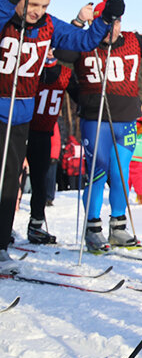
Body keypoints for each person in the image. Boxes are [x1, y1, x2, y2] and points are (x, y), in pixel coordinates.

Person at [0, 0, 110, 273]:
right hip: (0, 107)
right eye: (32, 4)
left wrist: (104, 20)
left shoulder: (48, 25)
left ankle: (0, 246)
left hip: (22, 115)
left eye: (44, 6)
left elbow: (83, 40)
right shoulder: (6, 18)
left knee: (10, 185)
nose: (38, 12)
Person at [58, 5, 142, 252]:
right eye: (106, 22)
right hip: (95, 119)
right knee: (97, 172)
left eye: (116, 22)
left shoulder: (133, 40)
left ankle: (118, 227)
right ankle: (92, 229)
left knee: (121, 173)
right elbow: (62, 52)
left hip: (127, 119)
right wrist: (79, 22)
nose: (111, 28)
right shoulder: (85, 42)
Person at [26, 49, 76, 241]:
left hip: (44, 132)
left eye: (53, 47)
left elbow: (80, 95)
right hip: (21, 128)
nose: (49, 51)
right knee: (11, 181)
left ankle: (36, 225)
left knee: (40, 182)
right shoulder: (30, 67)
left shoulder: (64, 73)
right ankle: (6, 225)